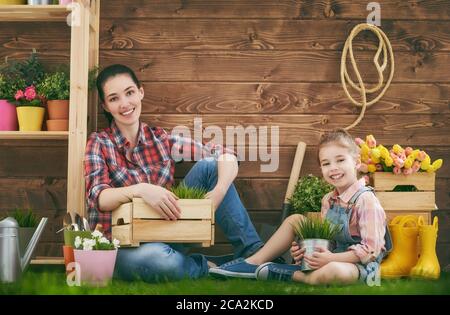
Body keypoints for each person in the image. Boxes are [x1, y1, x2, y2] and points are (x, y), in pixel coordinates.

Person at [84, 64, 263, 282]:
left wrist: (219, 191)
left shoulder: (162, 140)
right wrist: (142, 190)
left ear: (140, 92)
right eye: (114, 98)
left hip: (167, 234)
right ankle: (213, 267)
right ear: (105, 105)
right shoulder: (99, 142)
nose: (125, 104)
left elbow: (224, 155)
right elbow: (98, 197)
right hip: (124, 248)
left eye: (129, 92)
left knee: (210, 165)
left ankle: (255, 257)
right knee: (157, 259)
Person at [209, 129, 392, 285]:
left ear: (356, 161)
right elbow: (331, 240)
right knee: (296, 219)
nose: (333, 168)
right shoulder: (329, 199)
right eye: (326, 163)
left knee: (335, 271)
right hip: (332, 256)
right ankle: (253, 263)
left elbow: (371, 251)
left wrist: (331, 259)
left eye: (340, 160)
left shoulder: (366, 200)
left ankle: (290, 274)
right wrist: (307, 251)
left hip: (362, 267)